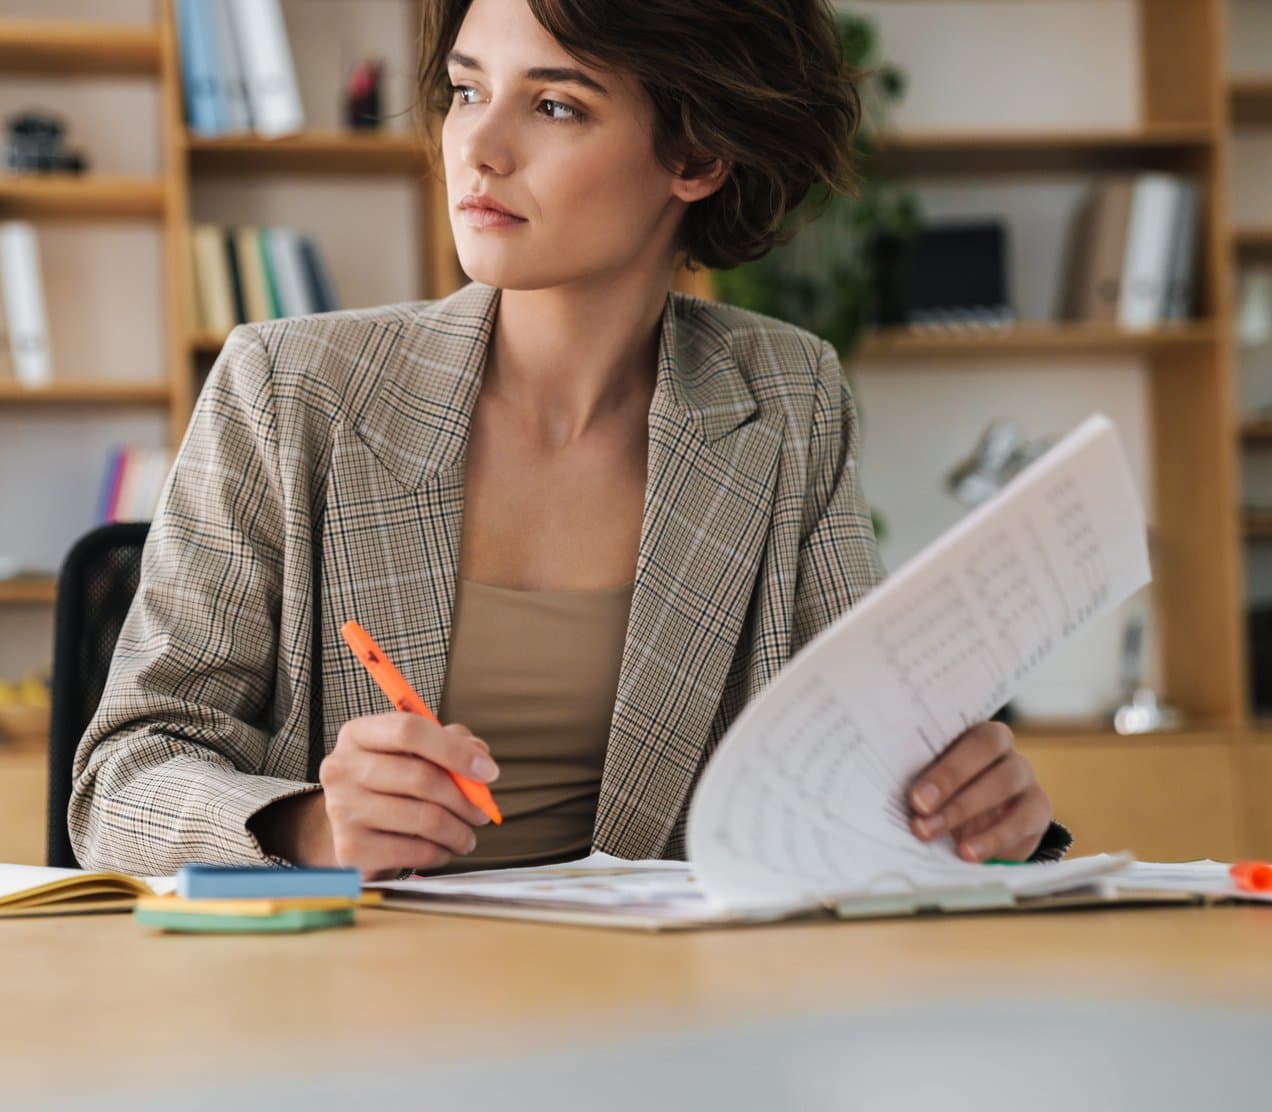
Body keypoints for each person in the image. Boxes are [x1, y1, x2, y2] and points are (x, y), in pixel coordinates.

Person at [69, 0, 1071, 879]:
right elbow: (121, 777)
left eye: (555, 105)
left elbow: (852, 769)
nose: (480, 147)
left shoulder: (788, 398)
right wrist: (307, 826)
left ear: (696, 156)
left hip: (667, 1023)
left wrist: (967, 811)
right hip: (354, 1016)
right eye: (467, 92)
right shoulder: (288, 391)